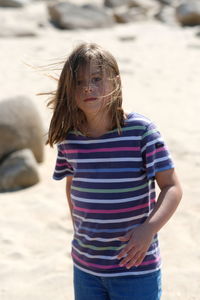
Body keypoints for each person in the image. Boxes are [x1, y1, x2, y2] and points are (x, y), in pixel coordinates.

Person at [47, 43, 182, 300]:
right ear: (69, 89)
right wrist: (79, 230)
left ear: (115, 81)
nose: (88, 87)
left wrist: (148, 230)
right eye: (79, 82)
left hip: (135, 265)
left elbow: (172, 186)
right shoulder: (70, 139)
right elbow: (73, 186)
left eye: (97, 78)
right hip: (86, 266)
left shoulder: (141, 131)